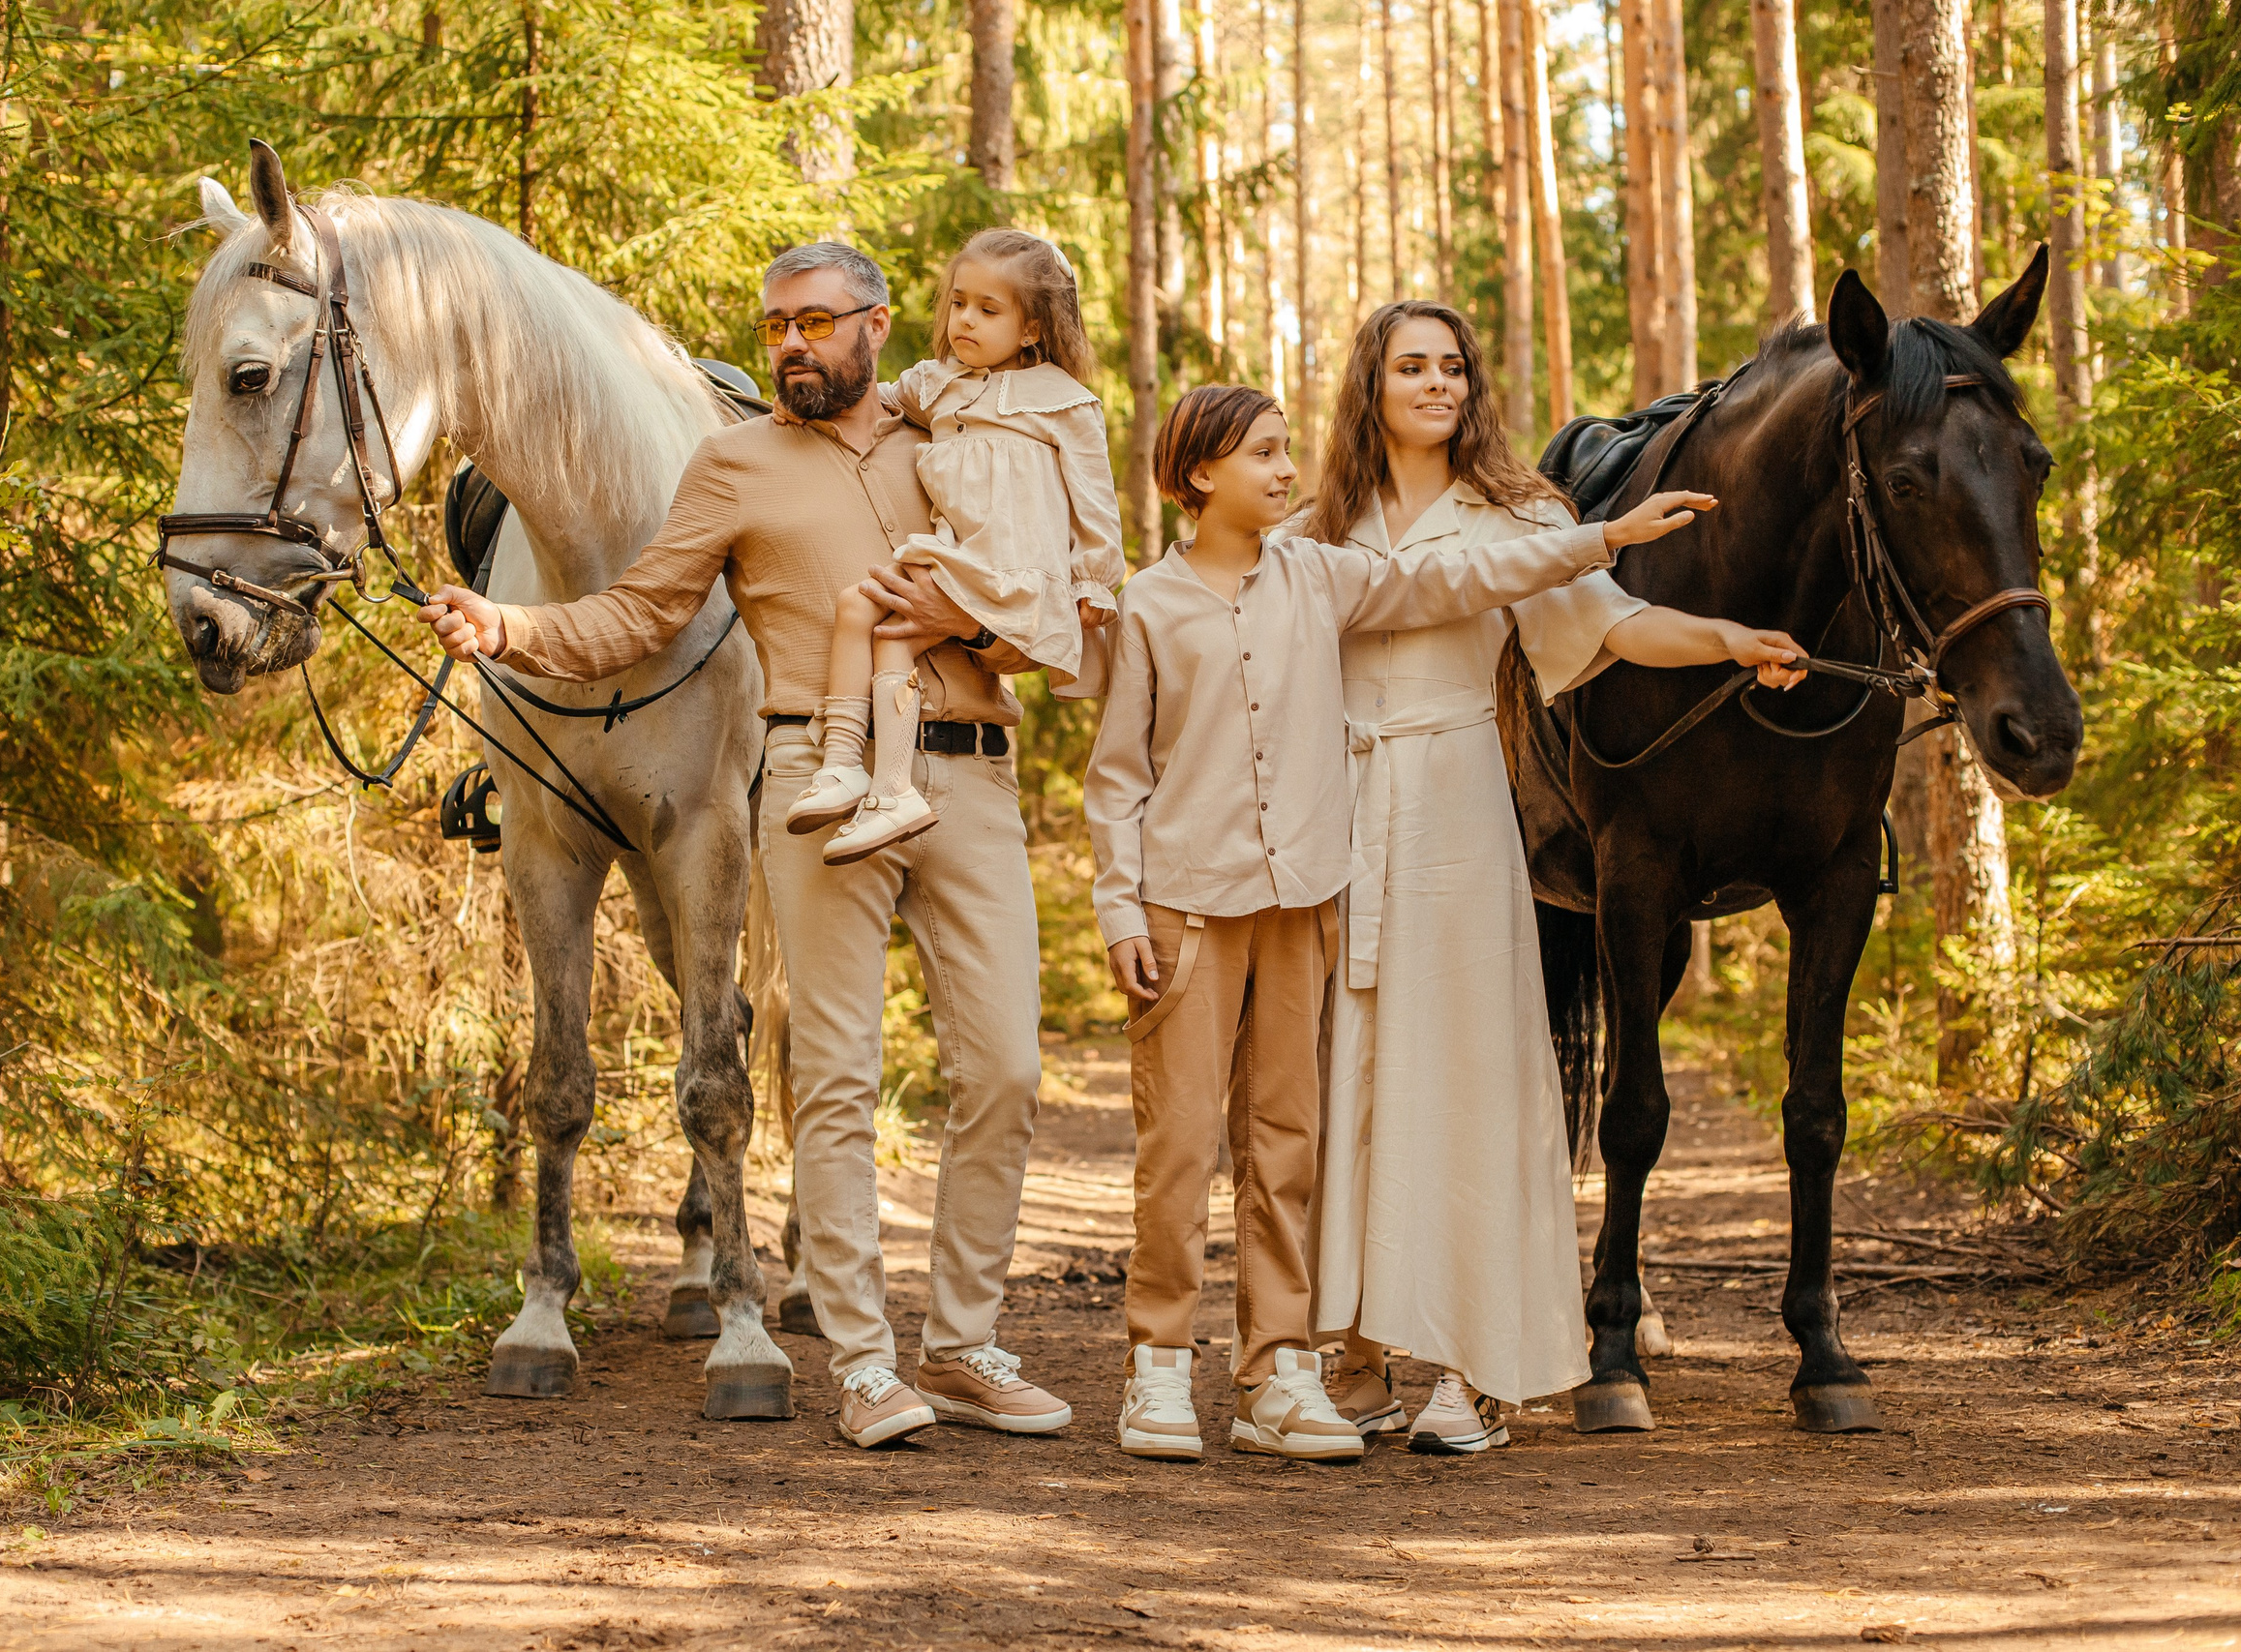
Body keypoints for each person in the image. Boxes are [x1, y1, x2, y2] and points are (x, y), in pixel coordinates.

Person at [418, 242, 1074, 1451]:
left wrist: (967, 618)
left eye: (817, 324)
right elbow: (639, 610)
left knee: (1007, 1073)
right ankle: (867, 1363)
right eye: (775, 324)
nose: (791, 346)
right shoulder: (728, 464)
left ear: (878, 325)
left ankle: (969, 1341)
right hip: (812, 782)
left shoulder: (961, 445)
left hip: (971, 774)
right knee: (835, 1077)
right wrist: (507, 623)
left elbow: (1070, 602)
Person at [1083, 383, 1722, 1463]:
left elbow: (1460, 575)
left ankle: (1277, 1373)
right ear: (1199, 477)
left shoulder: (1322, 578)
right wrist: (1116, 908)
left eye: (1289, 452)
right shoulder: (1147, 603)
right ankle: (1153, 1369)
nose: (1289, 473)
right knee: (1181, 1142)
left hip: (1303, 901)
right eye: (1263, 458)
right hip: (1187, 904)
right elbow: (1117, 775)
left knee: (1288, 1141)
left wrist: (1598, 538)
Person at [1299, 299, 1805, 1455]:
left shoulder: (1522, 511)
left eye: (1454, 367)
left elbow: (1615, 628)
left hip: (1460, 806)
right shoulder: (1320, 522)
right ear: (1368, 385)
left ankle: (1471, 1367)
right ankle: (1359, 1349)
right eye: (1410, 366)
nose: (1436, 384)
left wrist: (1729, 638)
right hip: (1345, 808)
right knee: (1353, 1077)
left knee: (1468, 1073)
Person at [786, 228, 1122, 863]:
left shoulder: (1064, 401)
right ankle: (842, 768)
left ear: (1031, 328)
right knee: (859, 606)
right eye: (958, 302)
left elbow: (1095, 502)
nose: (964, 319)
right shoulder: (935, 382)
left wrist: (1095, 580)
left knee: (889, 631)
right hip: (959, 559)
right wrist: (809, 408)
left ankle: (890, 788)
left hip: (1017, 569)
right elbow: (869, 399)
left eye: (988, 310)